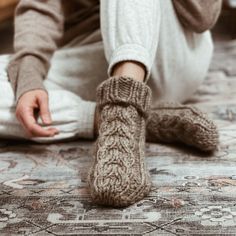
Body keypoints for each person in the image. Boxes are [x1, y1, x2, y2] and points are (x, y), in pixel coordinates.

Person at [0, 0, 222, 207]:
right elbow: (40, 6)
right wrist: (30, 76)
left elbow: (203, 17)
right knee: (17, 77)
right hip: (100, 53)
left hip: (173, 49)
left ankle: (124, 110)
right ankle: (122, 117)